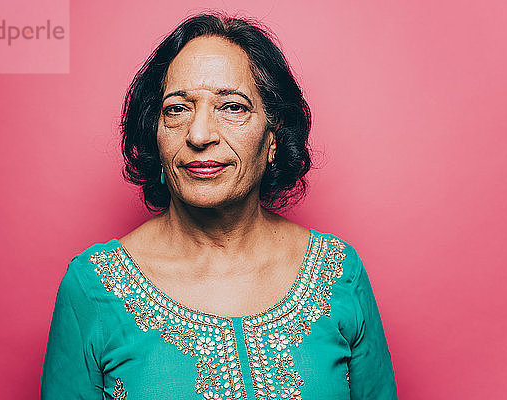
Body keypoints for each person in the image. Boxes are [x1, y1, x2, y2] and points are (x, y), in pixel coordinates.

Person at [40, 11, 397, 400]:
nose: (198, 134)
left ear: (273, 136)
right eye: (176, 109)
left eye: (232, 107)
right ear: (155, 134)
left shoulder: (339, 272)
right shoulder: (92, 286)